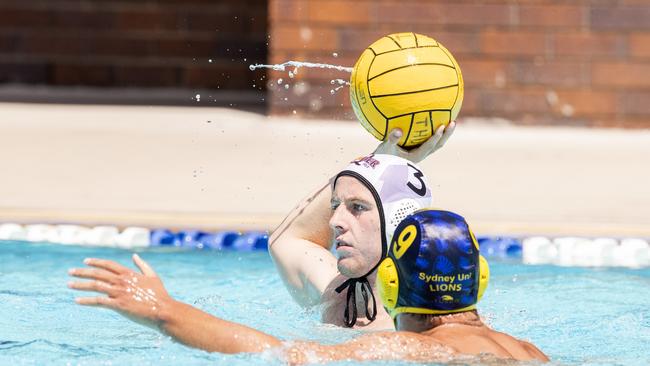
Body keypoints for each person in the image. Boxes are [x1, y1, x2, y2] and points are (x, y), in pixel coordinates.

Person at [67, 208, 549, 363]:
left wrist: (163, 310)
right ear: (479, 278)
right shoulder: (530, 351)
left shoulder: (408, 347)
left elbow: (280, 353)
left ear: (388, 281)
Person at [270, 124, 455, 328]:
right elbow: (287, 240)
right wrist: (375, 160)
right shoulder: (334, 293)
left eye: (357, 207)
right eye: (335, 205)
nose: (334, 221)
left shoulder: (433, 329)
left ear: (399, 219)